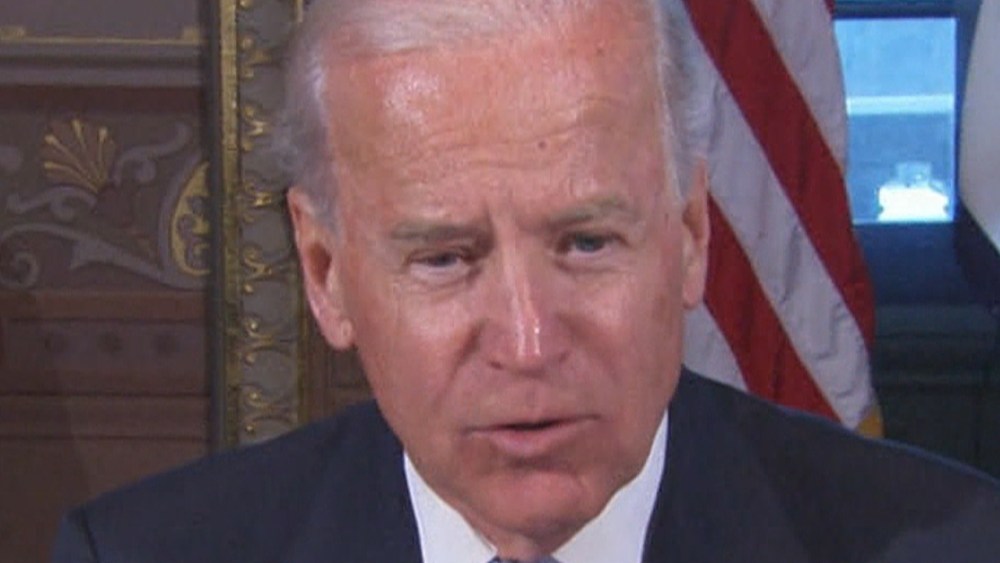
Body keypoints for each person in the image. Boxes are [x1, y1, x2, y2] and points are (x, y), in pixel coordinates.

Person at [53, 0, 1000, 562]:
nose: (529, 340)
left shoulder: (952, 546)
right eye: (445, 258)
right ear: (326, 273)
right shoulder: (147, 555)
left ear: (689, 234)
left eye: (586, 242)